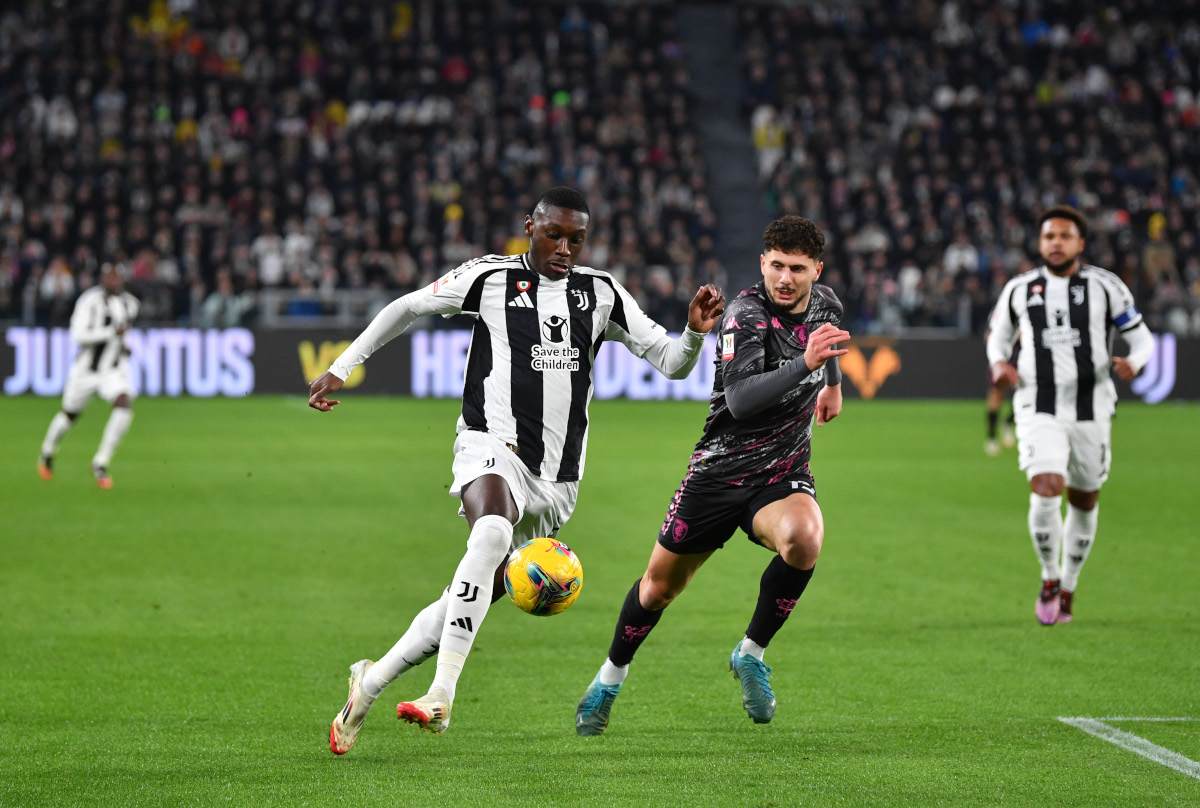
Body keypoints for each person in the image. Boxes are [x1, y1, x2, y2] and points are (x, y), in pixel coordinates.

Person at [311, 187, 725, 753]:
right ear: (529, 226)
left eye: (575, 239)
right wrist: (342, 366)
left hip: (557, 485)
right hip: (489, 445)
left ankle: (371, 681)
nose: (564, 248)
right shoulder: (488, 278)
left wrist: (695, 332)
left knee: (466, 596)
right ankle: (442, 694)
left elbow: (672, 364)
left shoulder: (601, 294)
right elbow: (407, 307)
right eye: (553, 234)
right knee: (491, 531)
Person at [574, 215, 849, 735]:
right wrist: (809, 365)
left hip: (782, 471)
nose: (784, 278)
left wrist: (832, 382)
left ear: (816, 268)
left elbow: (827, 335)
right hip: (717, 473)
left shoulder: (826, 302)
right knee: (658, 589)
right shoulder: (745, 314)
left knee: (805, 537)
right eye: (776, 266)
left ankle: (751, 653)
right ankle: (609, 678)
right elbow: (742, 402)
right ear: (761, 263)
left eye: (796, 268)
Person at [986, 205, 1154, 625]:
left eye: (1064, 236)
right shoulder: (1020, 289)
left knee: (1084, 497)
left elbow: (1142, 336)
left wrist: (1137, 360)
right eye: (1048, 236)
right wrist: (998, 364)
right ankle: (1048, 576)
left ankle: (1069, 585)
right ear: (1040, 243)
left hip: (1092, 407)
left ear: (1080, 243)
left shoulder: (1105, 287)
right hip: (1036, 402)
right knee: (1046, 485)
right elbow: (999, 337)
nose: (1055, 243)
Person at [38, 262, 139, 489]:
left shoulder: (130, 304)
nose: (113, 281)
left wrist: (124, 346)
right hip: (85, 371)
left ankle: (101, 462)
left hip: (111, 371)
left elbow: (122, 336)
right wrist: (111, 332)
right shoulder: (88, 301)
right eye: (109, 276)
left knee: (124, 404)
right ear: (102, 278)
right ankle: (47, 452)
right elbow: (78, 335)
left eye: (117, 277)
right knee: (69, 416)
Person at [984, 340, 1017, 456]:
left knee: (1023, 394)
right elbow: (989, 335)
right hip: (1001, 357)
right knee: (996, 395)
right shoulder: (997, 322)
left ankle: (1008, 422)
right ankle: (991, 438)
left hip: (1021, 355)